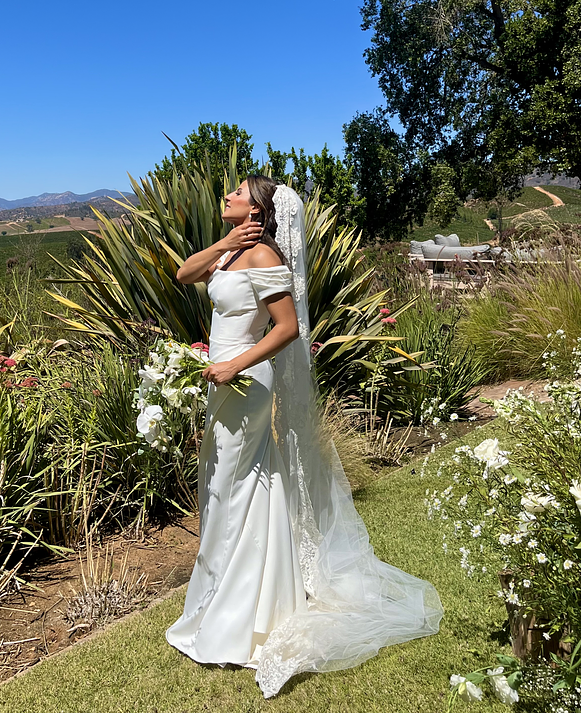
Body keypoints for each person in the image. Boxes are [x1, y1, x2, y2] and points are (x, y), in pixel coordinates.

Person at [166, 175, 442, 698]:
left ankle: (238, 612)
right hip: (222, 377)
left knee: (233, 482)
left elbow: (287, 327)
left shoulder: (265, 255)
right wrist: (225, 243)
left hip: (244, 382)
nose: (227, 196)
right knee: (231, 483)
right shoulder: (231, 254)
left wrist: (233, 366)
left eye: (238, 193)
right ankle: (253, 595)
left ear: (259, 208)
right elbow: (184, 274)